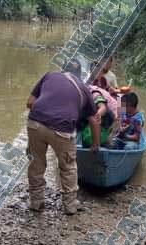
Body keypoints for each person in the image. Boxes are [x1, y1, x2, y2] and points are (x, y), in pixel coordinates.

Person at [26, 61, 100, 215]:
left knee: (36, 163)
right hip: (62, 129)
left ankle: (36, 202)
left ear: (62, 70)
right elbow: (93, 120)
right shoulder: (83, 89)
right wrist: (95, 144)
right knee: (68, 167)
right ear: (79, 75)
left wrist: (42, 120)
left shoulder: (49, 75)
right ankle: (70, 205)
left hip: (35, 122)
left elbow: (30, 103)